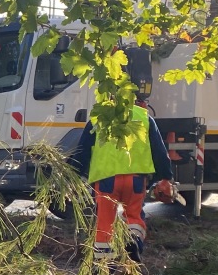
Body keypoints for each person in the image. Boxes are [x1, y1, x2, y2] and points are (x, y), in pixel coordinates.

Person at [71, 100, 175, 265]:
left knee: (105, 221)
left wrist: (74, 175)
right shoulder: (144, 117)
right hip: (136, 179)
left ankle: (104, 265)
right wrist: (166, 177)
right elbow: (159, 150)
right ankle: (133, 243)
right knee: (134, 217)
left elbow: (82, 151)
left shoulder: (98, 117)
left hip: (106, 179)